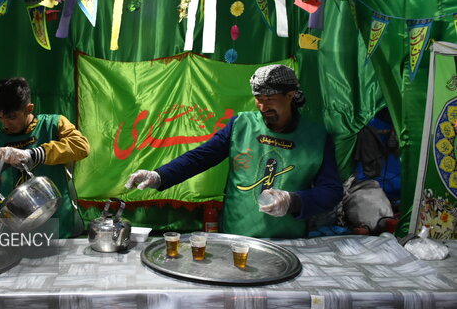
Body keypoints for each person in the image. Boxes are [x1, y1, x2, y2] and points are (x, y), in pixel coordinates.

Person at [125, 64, 343, 238]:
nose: (263, 107)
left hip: (287, 240)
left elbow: (332, 190)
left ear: (290, 96)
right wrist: (159, 176)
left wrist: (293, 200)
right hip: (237, 237)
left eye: (270, 100)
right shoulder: (242, 125)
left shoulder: (317, 137)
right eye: (258, 99)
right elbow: (200, 157)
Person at [0, 77, 90, 238]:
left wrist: (34, 154)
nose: (5, 124)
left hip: (60, 230)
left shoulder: (53, 125)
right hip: (15, 235)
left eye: (11, 117)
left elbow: (81, 147)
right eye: (0, 117)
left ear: (29, 108)